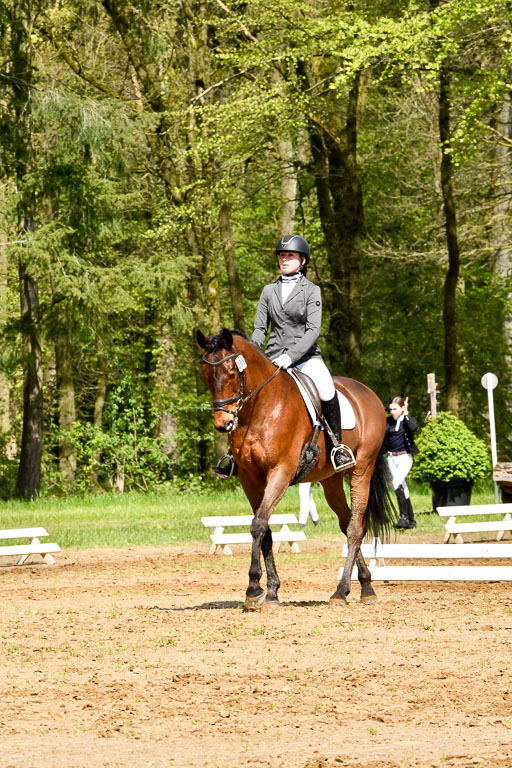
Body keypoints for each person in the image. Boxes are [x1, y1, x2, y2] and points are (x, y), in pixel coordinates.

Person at [212, 233, 354, 477]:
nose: (284, 259)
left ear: (303, 260)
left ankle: (337, 447)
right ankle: (235, 456)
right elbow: (259, 329)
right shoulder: (269, 291)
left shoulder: (312, 291)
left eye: (290, 255)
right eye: (281, 255)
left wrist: (292, 355)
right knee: (242, 392)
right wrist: (252, 354)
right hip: (272, 357)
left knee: (327, 389)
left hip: (306, 358)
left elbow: (313, 331)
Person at [381, 396, 419, 529]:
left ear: (402, 408)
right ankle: (411, 521)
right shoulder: (388, 421)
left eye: (395, 409)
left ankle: (403, 517)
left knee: (396, 483)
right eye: (390, 409)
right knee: (403, 487)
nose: (392, 411)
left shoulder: (408, 420)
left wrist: (406, 413)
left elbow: (413, 428)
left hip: (405, 457)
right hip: (391, 458)